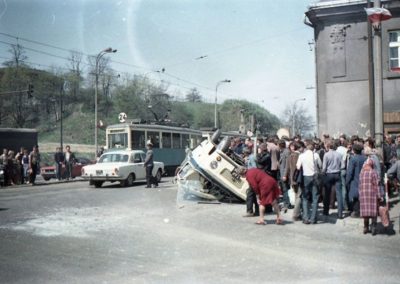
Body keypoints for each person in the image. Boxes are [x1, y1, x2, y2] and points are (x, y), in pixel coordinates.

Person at [296, 140, 322, 224]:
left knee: (305, 198)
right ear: (313, 147)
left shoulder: (302, 156)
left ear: (306, 147)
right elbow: (320, 166)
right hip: (315, 177)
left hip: (306, 177)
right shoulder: (316, 155)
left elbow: (298, 167)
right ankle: (313, 218)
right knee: (315, 198)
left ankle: (306, 218)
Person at [359, 158, 382, 235]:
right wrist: (379, 195)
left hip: (364, 194)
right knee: (373, 212)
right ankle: (373, 228)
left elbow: (359, 184)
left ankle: (365, 227)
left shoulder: (361, 172)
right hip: (372, 194)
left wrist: (360, 194)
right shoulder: (373, 172)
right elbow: (377, 185)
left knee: (365, 212)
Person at [322, 139, 343, 219]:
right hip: (337, 173)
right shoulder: (339, 155)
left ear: (328, 146)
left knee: (327, 193)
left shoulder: (326, 155)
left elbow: (324, 168)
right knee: (339, 194)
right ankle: (340, 213)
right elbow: (342, 165)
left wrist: (323, 174)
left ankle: (326, 211)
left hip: (329, 174)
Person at [346, 143, 366, 218]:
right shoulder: (365, 158)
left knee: (355, 196)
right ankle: (362, 211)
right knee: (362, 195)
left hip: (355, 179)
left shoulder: (353, 159)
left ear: (354, 150)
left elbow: (350, 172)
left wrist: (347, 181)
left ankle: (356, 212)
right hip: (363, 179)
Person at [284, 141, 302, 221]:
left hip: (292, 179)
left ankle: (297, 212)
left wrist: (285, 176)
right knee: (299, 196)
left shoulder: (290, 155)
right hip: (297, 178)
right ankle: (296, 214)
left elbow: (287, 167)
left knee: (296, 195)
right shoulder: (298, 156)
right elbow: (296, 168)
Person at [242, 148, 259, 217]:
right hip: (253, 178)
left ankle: (249, 211)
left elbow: (254, 168)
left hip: (253, 178)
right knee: (254, 196)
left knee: (249, 195)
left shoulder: (251, 158)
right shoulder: (250, 157)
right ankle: (257, 211)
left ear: (246, 153)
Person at [278, 139, 292, 212]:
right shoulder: (282, 151)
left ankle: (287, 203)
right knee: (284, 189)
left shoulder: (286, 152)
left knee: (285, 189)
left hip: (284, 173)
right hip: (281, 173)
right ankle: (286, 202)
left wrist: (285, 175)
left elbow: (287, 165)